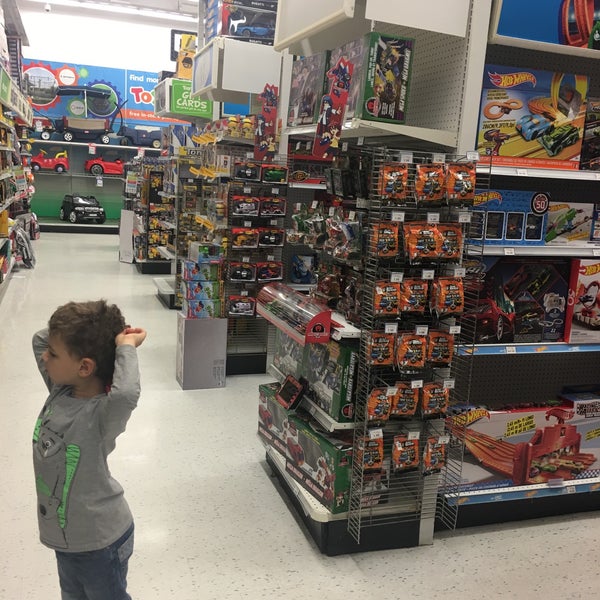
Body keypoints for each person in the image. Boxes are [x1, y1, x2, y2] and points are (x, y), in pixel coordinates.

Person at [32, 299, 147, 600]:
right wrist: (97, 332)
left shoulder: (100, 416)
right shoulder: (61, 389)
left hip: (99, 542)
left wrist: (125, 346)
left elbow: (126, 393)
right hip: (68, 540)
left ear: (84, 367)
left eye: (53, 354)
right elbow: (39, 338)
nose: (44, 356)